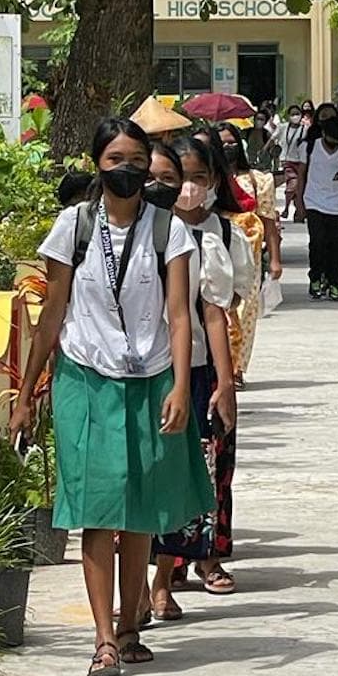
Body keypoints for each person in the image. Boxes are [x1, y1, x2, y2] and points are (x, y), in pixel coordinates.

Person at [10, 118, 214, 676]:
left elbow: (180, 313)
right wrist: (27, 395)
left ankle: (130, 626)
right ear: (96, 164)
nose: (126, 170)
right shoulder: (72, 228)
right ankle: (102, 638)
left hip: (149, 379)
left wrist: (178, 383)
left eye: (135, 160)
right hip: (86, 378)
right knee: (98, 511)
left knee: (142, 509)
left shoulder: (166, 230)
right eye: (114, 160)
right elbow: (51, 313)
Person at [147, 138, 243, 611]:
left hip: (193, 369)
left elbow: (212, 313)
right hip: (133, 372)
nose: (179, 189)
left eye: (185, 179)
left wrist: (225, 384)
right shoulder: (118, 232)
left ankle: (165, 578)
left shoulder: (201, 240)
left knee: (188, 473)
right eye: (163, 178)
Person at [217, 122, 282, 386]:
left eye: (232, 142)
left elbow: (268, 221)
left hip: (250, 257)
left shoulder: (258, 179)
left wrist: (275, 258)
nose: (227, 148)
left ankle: (237, 368)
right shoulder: (210, 179)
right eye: (221, 143)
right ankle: (221, 365)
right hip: (217, 253)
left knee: (244, 313)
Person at [296, 109, 338, 302]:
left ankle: (335, 284)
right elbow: (301, 176)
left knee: (337, 248)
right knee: (318, 244)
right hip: (313, 202)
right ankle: (315, 280)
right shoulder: (309, 148)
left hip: (337, 205)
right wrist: (299, 204)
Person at [274, 105, 308, 221]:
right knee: (292, 186)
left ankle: (299, 213)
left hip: (301, 162)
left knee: (299, 189)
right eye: (292, 114)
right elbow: (273, 138)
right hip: (287, 161)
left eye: (297, 114)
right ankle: (287, 208)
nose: (295, 117)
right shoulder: (283, 127)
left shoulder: (305, 129)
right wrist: (265, 149)